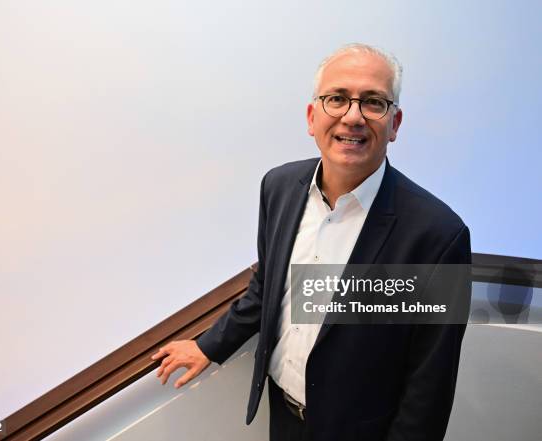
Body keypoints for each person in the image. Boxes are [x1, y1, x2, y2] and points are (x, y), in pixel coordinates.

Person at [151, 43, 471, 441]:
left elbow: (430, 384)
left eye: (373, 102)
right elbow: (269, 286)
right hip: (283, 417)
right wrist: (209, 345)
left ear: (395, 124)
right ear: (311, 116)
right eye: (336, 98)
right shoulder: (279, 187)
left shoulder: (438, 235)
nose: (352, 117)